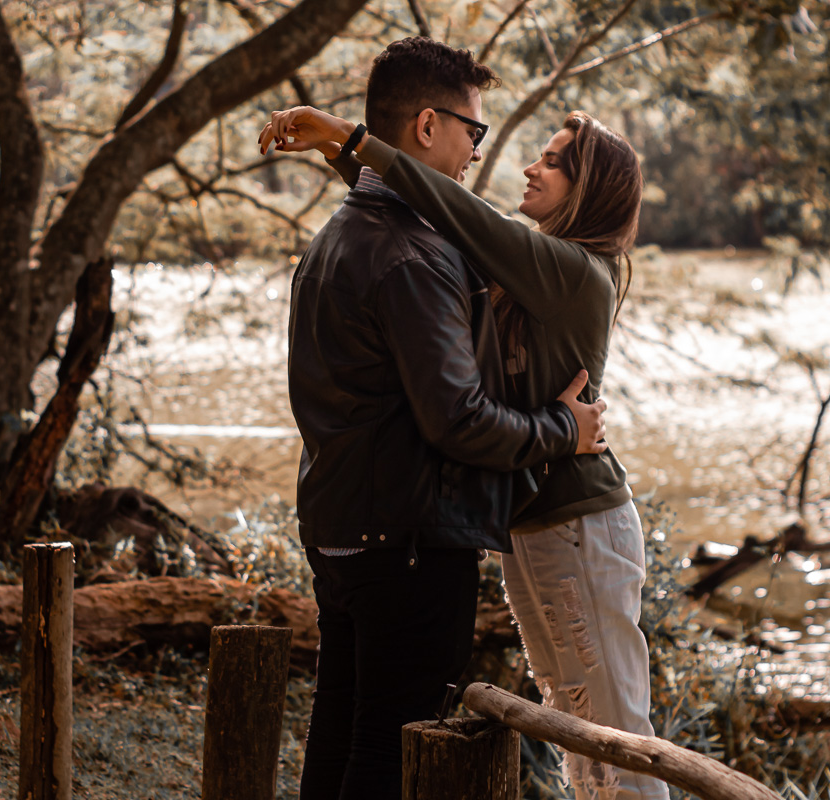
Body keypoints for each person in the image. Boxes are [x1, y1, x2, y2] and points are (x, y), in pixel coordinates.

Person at [260, 55, 669, 800]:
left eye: (555, 162)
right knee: (575, 729)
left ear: (593, 192)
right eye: (532, 151)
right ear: (430, 125)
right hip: (528, 524)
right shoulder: (509, 257)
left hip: (579, 520)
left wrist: (349, 139)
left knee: (614, 736)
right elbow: (421, 216)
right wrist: (350, 159)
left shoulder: (575, 270)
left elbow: (441, 209)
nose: (518, 163)